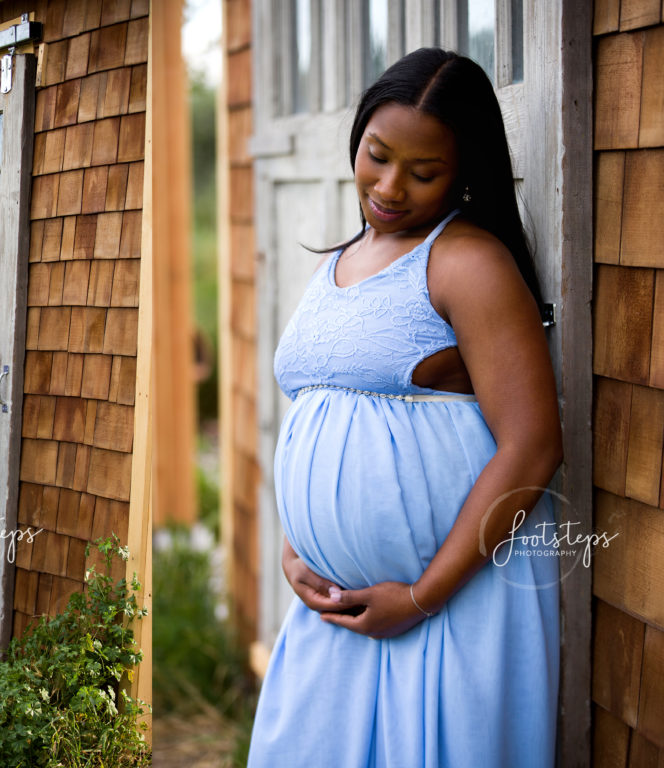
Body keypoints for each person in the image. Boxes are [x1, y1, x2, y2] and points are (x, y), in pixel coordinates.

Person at [247, 48, 562, 767]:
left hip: (447, 608)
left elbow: (533, 445)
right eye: (376, 156)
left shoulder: (468, 263)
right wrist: (300, 546)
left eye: (424, 173)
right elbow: (319, 418)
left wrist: (421, 595)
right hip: (333, 612)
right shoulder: (339, 263)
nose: (390, 187)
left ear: (466, 172)